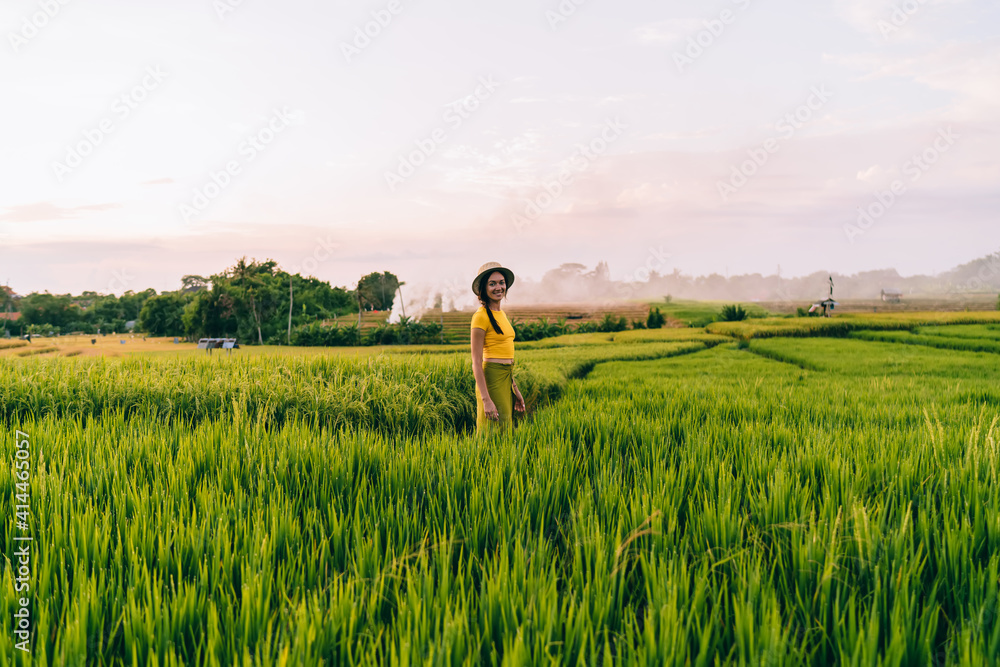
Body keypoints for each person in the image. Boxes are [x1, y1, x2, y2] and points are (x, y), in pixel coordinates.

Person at [470, 262, 525, 431]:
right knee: (493, 432)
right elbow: (476, 362)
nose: (498, 287)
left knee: (505, 429)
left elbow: (506, 357)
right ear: (483, 289)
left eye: (501, 282)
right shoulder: (480, 317)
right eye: (492, 283)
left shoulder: (501, 314)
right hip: (491, 380)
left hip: (506, 378)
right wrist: (486, 400)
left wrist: (515, 389)